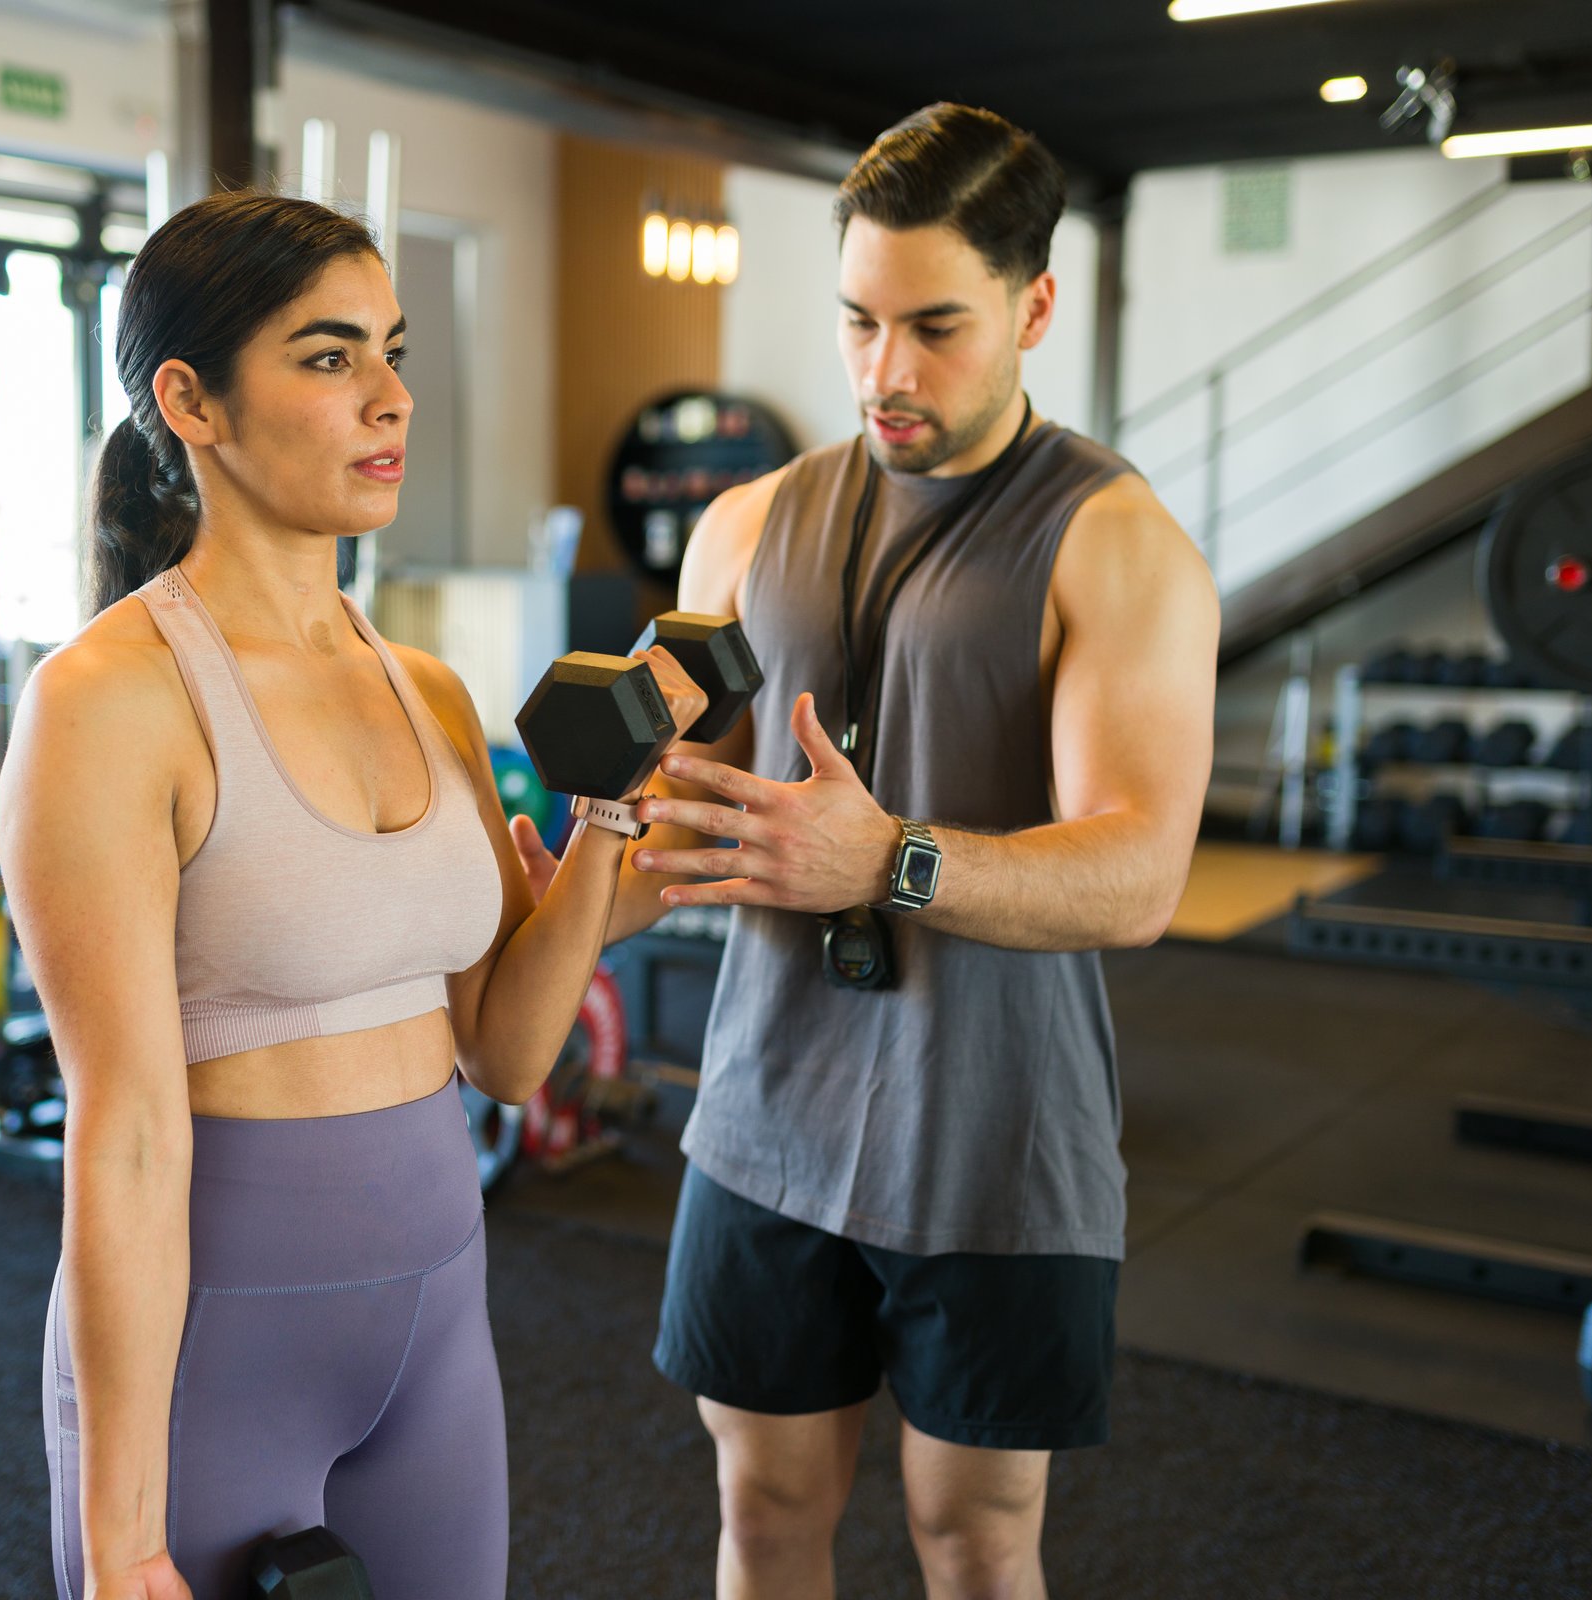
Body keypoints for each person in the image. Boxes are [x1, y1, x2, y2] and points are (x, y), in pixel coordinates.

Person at [513, 104, 1218, 1600]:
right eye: (856, 322)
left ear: (1033, 306)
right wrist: (558, 910)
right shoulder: (745, 524)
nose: (886, 371)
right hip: (765, 1119)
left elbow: (1141, 873)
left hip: (996, 1142)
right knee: (763, 1509)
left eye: (936, 327)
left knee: (973, 1540)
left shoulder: (1116, 540)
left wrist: (888, 861)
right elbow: (687, 824)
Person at [0, 189, 702, 1600]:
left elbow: (502, 1053)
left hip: (437, 1325)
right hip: (217, 1348)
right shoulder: (109, 703)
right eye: (328, 360)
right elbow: (126, 1136)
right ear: (190, 402)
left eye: (392, 350)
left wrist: (615, 837)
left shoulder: (425, 685)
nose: (390, 399)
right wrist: (121, 1529)